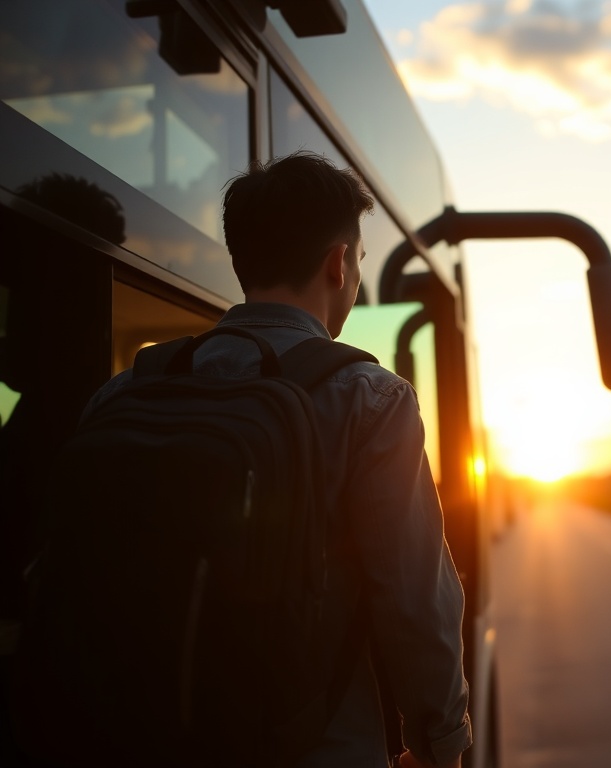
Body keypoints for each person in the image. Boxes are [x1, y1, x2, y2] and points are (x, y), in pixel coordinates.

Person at [85, 152, 472, 768]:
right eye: (360, 261)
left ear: (241, 261)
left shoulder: (128, 390)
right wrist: (441, 741)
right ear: (338, 264)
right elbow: (416, 601)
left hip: (137, 734)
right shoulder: (369, 400)